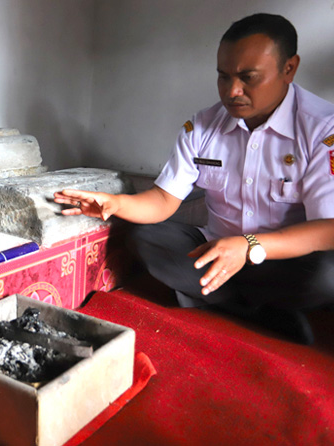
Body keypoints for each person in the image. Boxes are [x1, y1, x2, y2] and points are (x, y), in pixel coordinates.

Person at [54, 13, 334, 344]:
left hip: (278, 258)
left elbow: (328, 229)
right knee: (146, 238)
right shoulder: (202, 126)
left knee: (327, 276)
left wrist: (249, 246)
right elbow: (163, 200)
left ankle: (220, 300)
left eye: (248, 77)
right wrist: (115, 203)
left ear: (289, 68)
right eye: (223, 77)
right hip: (214, 248)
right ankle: (263, 315)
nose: (233, 91)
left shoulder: (322, 129)